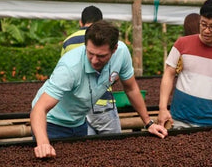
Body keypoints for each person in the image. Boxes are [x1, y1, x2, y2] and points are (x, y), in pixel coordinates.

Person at [31, 20, 168, 158]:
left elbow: (131, 88)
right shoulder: (69, 68)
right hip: (51, 123)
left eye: (101, 56)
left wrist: (148, 123)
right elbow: (39, 109)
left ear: (114, 49)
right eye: (90, 53)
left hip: (79, 122)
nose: (94, 60)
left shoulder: (121, 53)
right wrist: (43, 143)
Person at [157, 0, 212, 135]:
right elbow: (169, 73)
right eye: (203, 24)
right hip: (177, 120)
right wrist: (163, 108)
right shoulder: (182, 44)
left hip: (211, 125)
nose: (206, 30)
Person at [61, 5, 121, 135]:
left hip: (77, 104)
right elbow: (116, 72)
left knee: (87, 149)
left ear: (80, 22)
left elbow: (63, 72)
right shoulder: (110, 42)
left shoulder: (68, 42)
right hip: (103, 101)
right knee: (113, 147)